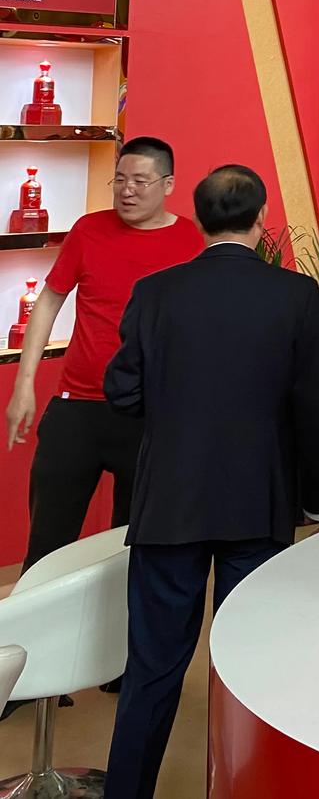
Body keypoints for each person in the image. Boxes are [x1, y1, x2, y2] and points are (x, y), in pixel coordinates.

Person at [102, 164, 319, 799]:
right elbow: (313, 410)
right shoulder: (294, 295)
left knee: (152, 670)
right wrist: (318, 499)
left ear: (200, 220)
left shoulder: (155, 292)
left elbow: (121, 391)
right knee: (250, 665)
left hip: (168, 504)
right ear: (261, 220)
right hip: (258, 505)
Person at [5, 136, 203, 571]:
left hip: (151, 412)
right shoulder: (88, 230)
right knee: (48, 542)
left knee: (134, 546)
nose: (127, 191)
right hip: (77, 406)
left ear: (168, 184)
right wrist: (24, 386)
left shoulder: (191, 240)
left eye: (140, 181)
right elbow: (49, 301)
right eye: (120, 179)